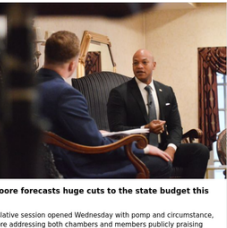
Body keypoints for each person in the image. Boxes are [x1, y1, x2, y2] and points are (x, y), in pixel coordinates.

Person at [36, 31, 172, 178]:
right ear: (72, 65)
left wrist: (95, 132)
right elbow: (96, 145)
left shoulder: (23, 88)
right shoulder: (66, 95)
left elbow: (61, 130)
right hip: (73, 169)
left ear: (46, 56)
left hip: (35, 168)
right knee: (161, 164)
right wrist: (143, 148)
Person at [107, 49, 209, 178]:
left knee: (200, 151)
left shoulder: (166, 91)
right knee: (160, 162)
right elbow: (117, 130)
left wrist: (171, 149)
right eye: (135, 63)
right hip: (138, 150)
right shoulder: (119, 93)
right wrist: (145, 129)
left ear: (154, 65)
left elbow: (175, 127)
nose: (139, 66)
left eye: (144, 62)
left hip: (163, 146)